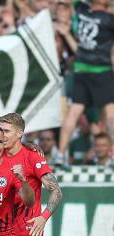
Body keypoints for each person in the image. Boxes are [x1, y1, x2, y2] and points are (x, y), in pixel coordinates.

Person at [56, 0, 114, 165]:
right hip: (101, 70)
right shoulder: (109, 20)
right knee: (111, 114)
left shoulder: (81, 10)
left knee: (74, 112)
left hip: (81, 69)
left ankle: (60, 155)